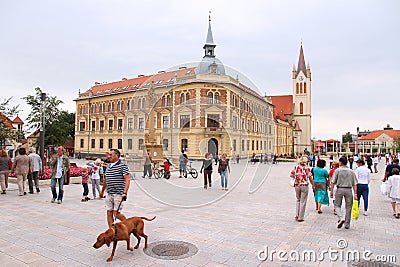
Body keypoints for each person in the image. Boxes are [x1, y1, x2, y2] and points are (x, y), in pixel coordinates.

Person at [100, 149, 130, 227]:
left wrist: (125, 193)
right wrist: (102, 191)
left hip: (118, 193)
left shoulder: (123, 165)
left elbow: (127, 179)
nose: (108, 156)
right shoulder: (108, 165)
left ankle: (129, 225)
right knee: (109, 212)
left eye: (111, 155)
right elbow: (106, 179)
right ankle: (111, 230)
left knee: (116, 213)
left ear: (117, 155)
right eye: (109, 154)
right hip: (109, 193)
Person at [330, 157, 358, 229]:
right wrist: (355, 194)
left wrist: (331, 191)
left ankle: (340, 217)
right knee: (349, 207)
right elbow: (355, 184)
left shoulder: (337, 171)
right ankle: (347, 224)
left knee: (337, 205)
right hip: (349, 190)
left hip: (340, 189)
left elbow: (333, 182)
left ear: (341, 162)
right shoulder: (351, 171)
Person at [290, 156, 314, 222]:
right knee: (303, 201)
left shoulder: (296, 167)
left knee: (298, 199)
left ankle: (297, 214)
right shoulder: (307, 169)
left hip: (297, 185)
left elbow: (291, 175)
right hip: (304, 185)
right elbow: (310, 177)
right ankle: (300, 217)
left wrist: (297, 176)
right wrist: (313, 185)